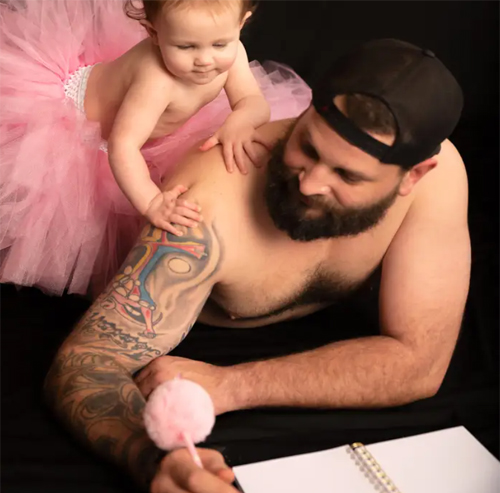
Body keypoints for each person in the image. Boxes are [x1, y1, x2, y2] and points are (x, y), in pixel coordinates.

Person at [44, 39, 470, 493]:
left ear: (414, 175)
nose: (310, 183)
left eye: (347, 177)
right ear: (306, 111)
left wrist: (233, 385)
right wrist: (152, 459)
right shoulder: (206, 207)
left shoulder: (441, 177)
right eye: (308, 145)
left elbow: (419, 363)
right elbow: (87, 364)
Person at [0, 0, 310, 296]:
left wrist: (241, 120)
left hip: (148, 132)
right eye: (186, 46)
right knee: (91, 221)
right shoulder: (156, 80)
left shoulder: (234, 54)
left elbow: (253, 102)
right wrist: (151, 203)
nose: (205, 60)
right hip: (82, 127)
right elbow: (123, 146)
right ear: (153, 33)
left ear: (240, 25)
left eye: (219, 44)